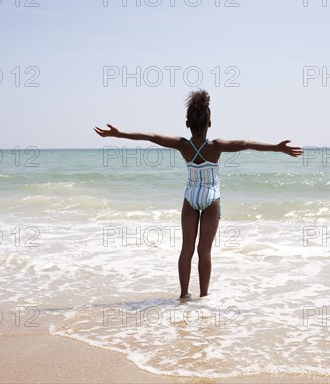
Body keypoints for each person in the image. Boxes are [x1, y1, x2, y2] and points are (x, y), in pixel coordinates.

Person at [94, 90, 302, 299]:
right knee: (205, 251)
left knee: (187, 249)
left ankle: (184, 294)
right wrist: (277, 148)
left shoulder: (182, 145)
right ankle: (204, 297)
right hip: (211, 198)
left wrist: (118, 134)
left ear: (187, 124)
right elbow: (246, 144)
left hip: (190, 197)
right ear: (209, 123)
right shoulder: (216, 146)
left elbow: (151, 137)